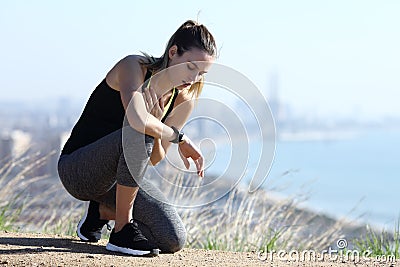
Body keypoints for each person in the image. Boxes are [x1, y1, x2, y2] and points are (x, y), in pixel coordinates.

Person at [57, 20, 216, 257]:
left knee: (173, 238)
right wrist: (178, 138)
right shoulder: (133, 67)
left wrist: (157, 126)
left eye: (201, 73)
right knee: (138, 130)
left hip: (118, 183)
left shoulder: (183, 100)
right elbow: (137, 120)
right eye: (191, 67)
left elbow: (153, 158)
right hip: (78, 170)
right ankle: (121, 231)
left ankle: (99, 212)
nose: (193, 78)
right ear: (173, 52)